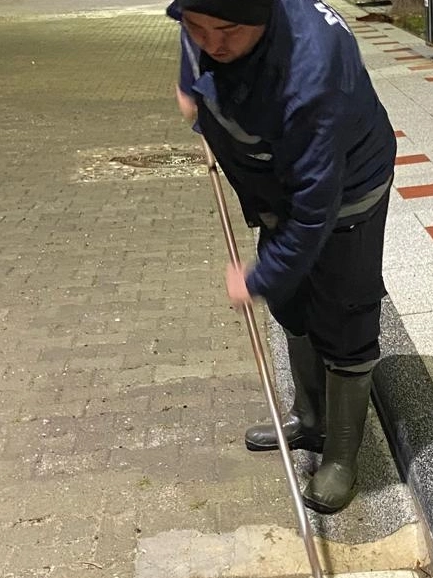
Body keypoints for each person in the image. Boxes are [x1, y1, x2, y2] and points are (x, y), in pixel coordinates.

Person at [167, 0, 397, 515]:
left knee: (344, 312)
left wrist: (257, 278)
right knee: (291, 301)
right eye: (197, 27)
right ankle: (309, 417)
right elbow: (198, 37)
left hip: (344, 193)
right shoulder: (209, 24)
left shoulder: (312, 76)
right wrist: (192, 92)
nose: (212, 43)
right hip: (275, 178)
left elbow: (314, 214)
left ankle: (341, 457)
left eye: (227, 30)